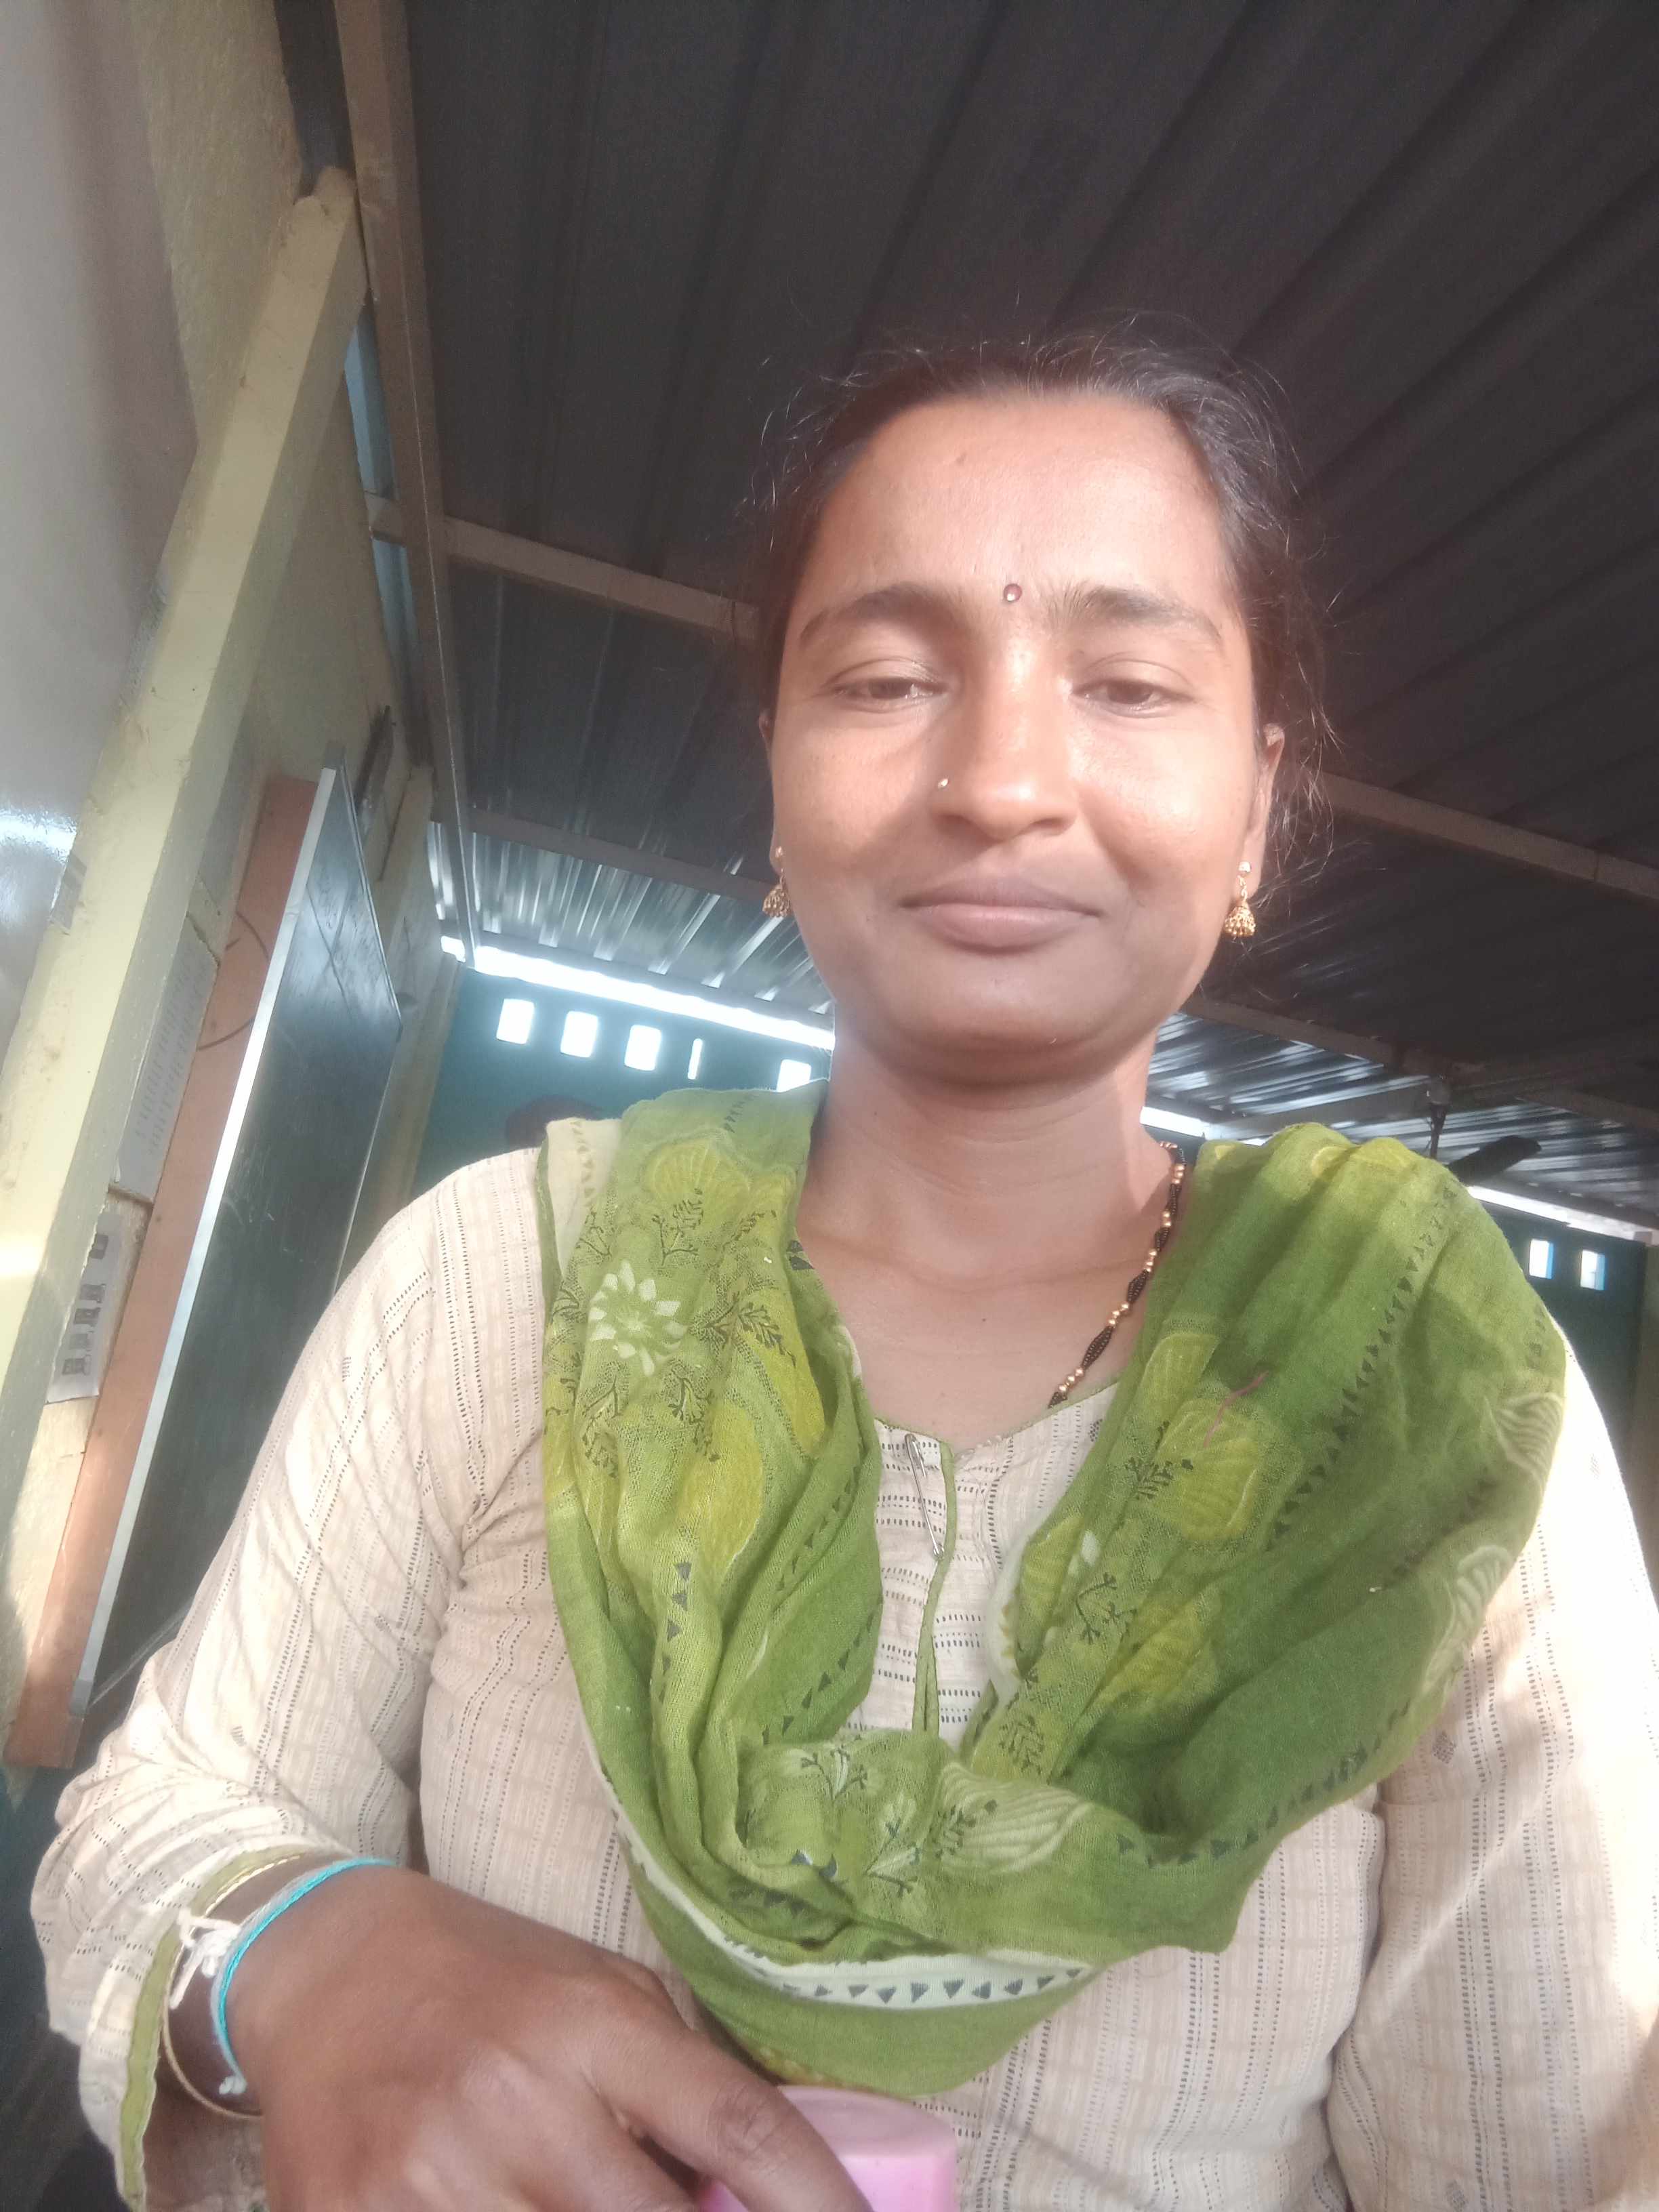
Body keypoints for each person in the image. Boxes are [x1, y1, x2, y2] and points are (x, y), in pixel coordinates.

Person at [34, 333, 1659, 2211]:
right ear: (777, 779)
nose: (1001, 781)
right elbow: (149, 1827)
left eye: (1129, 685)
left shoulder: (1424, 1403)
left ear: (1261, 808)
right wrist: (308, 1958)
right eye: (887, 679)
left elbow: (1564, 2169)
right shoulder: (507, 1278)